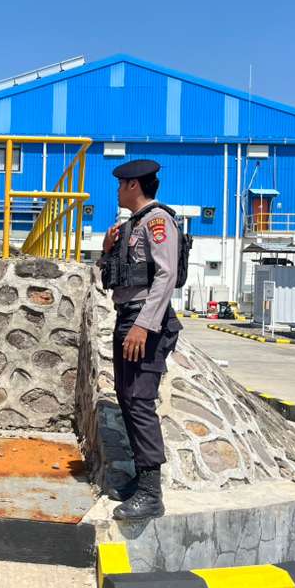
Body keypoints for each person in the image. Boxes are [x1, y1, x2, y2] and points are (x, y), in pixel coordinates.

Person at [100, 159, 182, 520]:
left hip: (144, 322)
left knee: (139, 400)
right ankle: (141, 481)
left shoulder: (158, 221)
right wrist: (106, 249)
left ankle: (151, 493)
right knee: (127, 397)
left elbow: (166, 276)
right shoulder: (131, 225)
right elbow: (113, 274)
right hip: (127, 317)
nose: (118, 191)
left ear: (134, 185)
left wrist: (144, 326)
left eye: (121, 185)